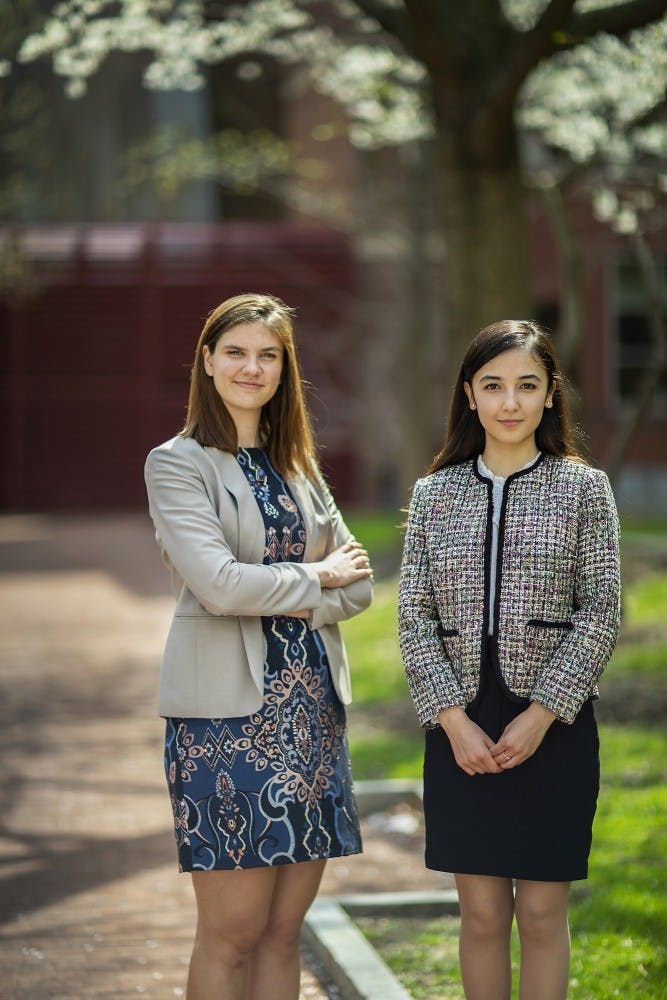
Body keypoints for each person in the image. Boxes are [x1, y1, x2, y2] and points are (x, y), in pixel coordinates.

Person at [144, 292, 373, 1000]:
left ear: (283, 368)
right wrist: (317, 578)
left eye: (268, 355)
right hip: (224, 724)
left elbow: (361, 585)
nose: (252, 367)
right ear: (208, 361)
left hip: (311, 718)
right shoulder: (177, 464)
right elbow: (218, 585)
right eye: (237, 352)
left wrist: (284, 588)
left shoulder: (297, 465)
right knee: (232, 935)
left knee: (282, 933)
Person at [398, 320, 621, 1000]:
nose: (510, 402)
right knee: (481, 915)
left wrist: (543, 713)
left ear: (551, 393)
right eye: (492, 386)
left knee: (543, 914)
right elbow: (413, 616)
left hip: (554, 724)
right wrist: (451, 721)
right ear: (469, 395)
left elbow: (601, 609)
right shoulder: (434, 494)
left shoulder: (584, 489)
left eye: (527, 385)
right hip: (460, 729)